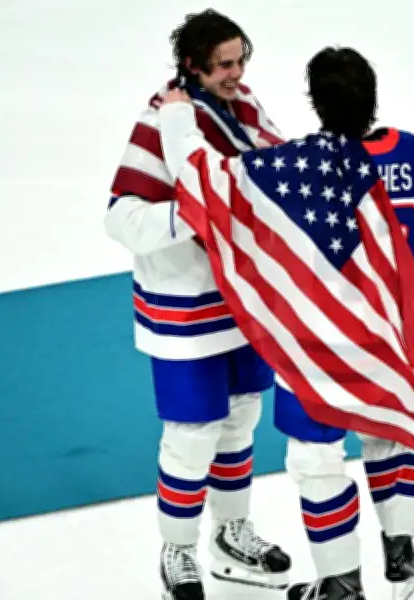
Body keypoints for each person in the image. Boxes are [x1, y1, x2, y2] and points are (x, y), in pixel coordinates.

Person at [155, 46, 414, 600]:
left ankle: (341, 586)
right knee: (389, 434)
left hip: (319, 348)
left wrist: (178, 115)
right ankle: (401, 554)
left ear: (314, 101)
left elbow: (205, 178)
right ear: (372, 96)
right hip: (398, 337)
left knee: (316, 459)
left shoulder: (294, 168)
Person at [103, 9, 291, 600]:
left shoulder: (243, 110)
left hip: (241, 298)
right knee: (191, 433)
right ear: (193, 66)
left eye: (241, 60)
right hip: (184, 307)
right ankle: (177, 552)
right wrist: (192, 214)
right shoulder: (162, 121)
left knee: (240, 420)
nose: (238, 73)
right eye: (226, 65)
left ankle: (231, 532)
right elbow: (120, 219)